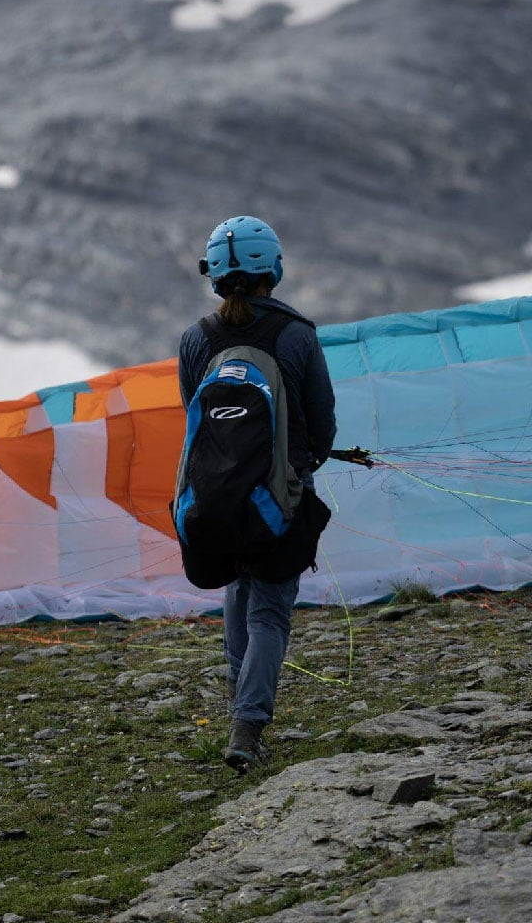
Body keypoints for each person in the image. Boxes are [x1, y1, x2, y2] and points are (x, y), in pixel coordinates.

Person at [177, 215, 337, 771]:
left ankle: (238, 708)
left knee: (238, 587)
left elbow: (192, 417)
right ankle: (248, 727)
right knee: (270, 612)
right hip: (281, 497)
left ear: (214, 275)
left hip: (213, 496)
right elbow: (322, 427)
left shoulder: (196, 340)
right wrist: (299, 465)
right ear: (274, 267)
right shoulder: (297, 336)